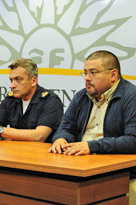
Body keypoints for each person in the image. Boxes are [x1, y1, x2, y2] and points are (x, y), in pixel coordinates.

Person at [48, 50, 136, 204]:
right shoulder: (81, 96)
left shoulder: (131, 96)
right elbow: (65, 128)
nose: (87, 78)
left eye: (93, 73)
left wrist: (91, 147)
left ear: (113, 75)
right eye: (85, 73)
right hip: (80, 168)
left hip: (117, 173)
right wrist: (61, 139)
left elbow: (133, 141)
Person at [0, 58, 63, 142]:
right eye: (11, 80)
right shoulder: (11, 99)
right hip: (14, 152)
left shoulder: (50, 101)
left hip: (40, 154)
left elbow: (39, 136)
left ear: (33, 81)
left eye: (18, 79)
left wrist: (0, 131)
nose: (12, 85)